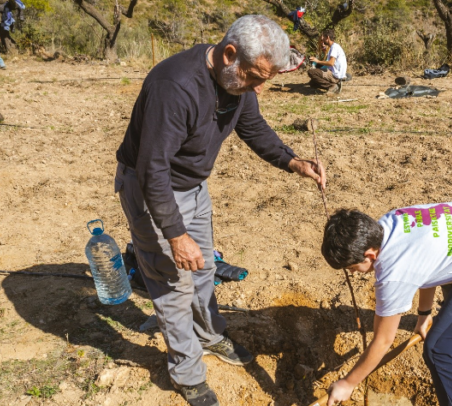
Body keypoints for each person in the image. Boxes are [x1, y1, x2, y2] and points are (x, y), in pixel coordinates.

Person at [115, 15, 326, 406]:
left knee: (205, 270)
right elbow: (152, 170)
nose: (259, 87)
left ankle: (210, 336)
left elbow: (255, 128)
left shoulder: (237, 81)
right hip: (153, 189)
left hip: (193, 187)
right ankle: (187, 374)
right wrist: (176, 235)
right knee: (171, 283)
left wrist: (293, 161)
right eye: (255, 76)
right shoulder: (174, 87)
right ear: (229, 54)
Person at [320, 200, 452, 406]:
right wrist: (424, 315)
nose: (353, 273)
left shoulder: (394, 273)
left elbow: (383, 340)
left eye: (352, 267)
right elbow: (427, 265)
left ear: (369, 255)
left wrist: (348, 383)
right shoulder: (391, 222)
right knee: (446, 321)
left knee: (440, 348)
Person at [307, 29, 347, 93]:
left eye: (323, 37)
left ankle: (332, 86)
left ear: (327, 37)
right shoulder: (334, 47)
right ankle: (335, 85)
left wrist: (317, 61)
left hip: (335, 75)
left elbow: (331, 63)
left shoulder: (334, 48)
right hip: (335, 73)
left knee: (311, 72)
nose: (322, 39)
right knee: (313, 83)